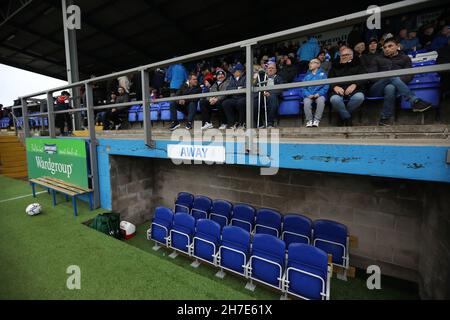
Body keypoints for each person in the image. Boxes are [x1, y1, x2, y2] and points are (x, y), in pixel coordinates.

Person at [367, 37, 433, 126]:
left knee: (390, 87)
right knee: (391, 76)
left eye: (390, 46)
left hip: (395, 87)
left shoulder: (405, 58)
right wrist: (389, 78)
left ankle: (384, 118)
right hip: (376, 88)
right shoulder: (377, 59)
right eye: (385, 47)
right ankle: (414, 101)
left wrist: (395, 80)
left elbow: (409, 76)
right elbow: (372, 77)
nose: (387, 49)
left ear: (397, 46)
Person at [328, 47, 366, 126]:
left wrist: (355, 84)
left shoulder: (358, 65)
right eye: (342, 55)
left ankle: (342, 116)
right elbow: (329, 80)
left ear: (351, 56)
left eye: (346, 55)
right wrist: (335, 87)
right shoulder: (335, 66)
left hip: (355, 89)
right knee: (334, 99)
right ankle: (347, 117)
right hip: (338, 90)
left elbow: (365, 78)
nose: (344, 56)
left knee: (359, 97)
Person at [253, 62, 283, 128]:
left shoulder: (278, 78)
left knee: (272, 98)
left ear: (275, 70)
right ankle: (259, 123)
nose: (270, 69)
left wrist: (270, 93)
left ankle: (270, 122)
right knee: (254, 101)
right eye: (269, 68)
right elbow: (256, 86)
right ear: (266, 70)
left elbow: (280, 89)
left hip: (273, 95)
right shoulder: (262, 78)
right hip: (262, 95)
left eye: (272, 68)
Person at [302, 59, 329, 127]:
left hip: (319, 95)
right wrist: (308, 94)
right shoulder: (307, 76)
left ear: (318, 65)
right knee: (306, 102)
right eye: (309, 63)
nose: (310, 65)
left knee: (321, 101)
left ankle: (316, 120)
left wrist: (319, 93)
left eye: (312, 63)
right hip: (309, 95)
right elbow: (303, 88)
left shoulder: (323, 75)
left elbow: (326, 86)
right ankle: (309, 121)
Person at [222, 63, 247, 129]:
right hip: (234, 98)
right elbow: (228, 88)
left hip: (243, 97)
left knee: (241, 103)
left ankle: (241, 123)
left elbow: (245, 88)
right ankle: (231, 123)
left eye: (235, 71)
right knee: (226, 103)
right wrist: (237, 89)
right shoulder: (232, 79)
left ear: (240, 71)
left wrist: (238, 90)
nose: (233, 73)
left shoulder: (246, 77)